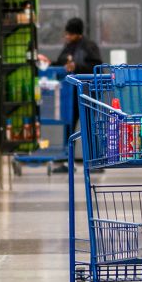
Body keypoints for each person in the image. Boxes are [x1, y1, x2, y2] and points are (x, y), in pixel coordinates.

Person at [40, 17, 101, 170]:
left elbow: (96, 65)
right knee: (69, 128)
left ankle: (96, 162)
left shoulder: (89, 46)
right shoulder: (68, 47)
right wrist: (49, 63)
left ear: (77, 33)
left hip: (87, 94)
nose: (67, 36)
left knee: (90, 126)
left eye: (70, 34)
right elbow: (62, 64)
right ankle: (68, 161)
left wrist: (77, 66)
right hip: (70, 95)